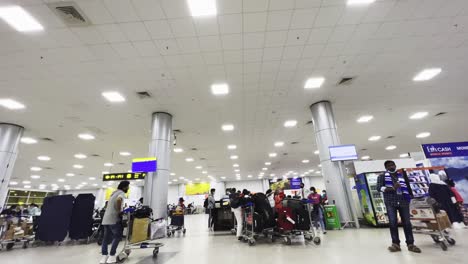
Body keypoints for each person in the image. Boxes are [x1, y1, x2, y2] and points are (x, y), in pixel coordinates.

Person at [376, 160, 421, 253]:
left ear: (395, 165)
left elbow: (408, 187)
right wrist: (392, 188)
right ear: (386, 168)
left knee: (407, 223)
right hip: (390, 202)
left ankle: (410, 244)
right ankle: (395, 244)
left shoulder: (402, 175)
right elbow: (379, 188)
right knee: (393, 223)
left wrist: (412, 196)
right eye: (389, 166)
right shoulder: (382, 176)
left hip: (403, 201)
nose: (391, 167)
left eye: (393, 165)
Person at [100, 181, 130, 264]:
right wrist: (119, 210)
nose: (128, 188)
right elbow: (119, 199)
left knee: (105, 238)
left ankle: (104, 257)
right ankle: (111, 256)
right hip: (114, 219)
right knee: (117, 237)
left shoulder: (113, 193)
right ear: (124, 187)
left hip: (106, 219)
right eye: (128, 186)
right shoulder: (122, 193)